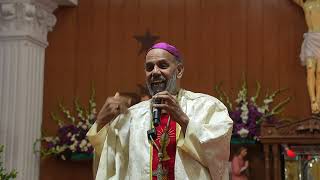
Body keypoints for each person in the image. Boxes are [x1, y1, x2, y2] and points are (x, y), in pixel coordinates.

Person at [87, 42, 233, 180]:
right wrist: (101, 122)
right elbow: (110, 163)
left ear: (179, 70)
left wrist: (183, 120)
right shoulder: (131, 117)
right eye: (149, 67)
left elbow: (219, 154)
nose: (155, 72)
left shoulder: (207, 107)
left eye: (163, 65)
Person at [293, 0, 320, 114]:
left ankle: (318, 100)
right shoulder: (305, 4)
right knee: (310, 69)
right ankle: (312, 100)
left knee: (319, 72)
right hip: (310, 39)